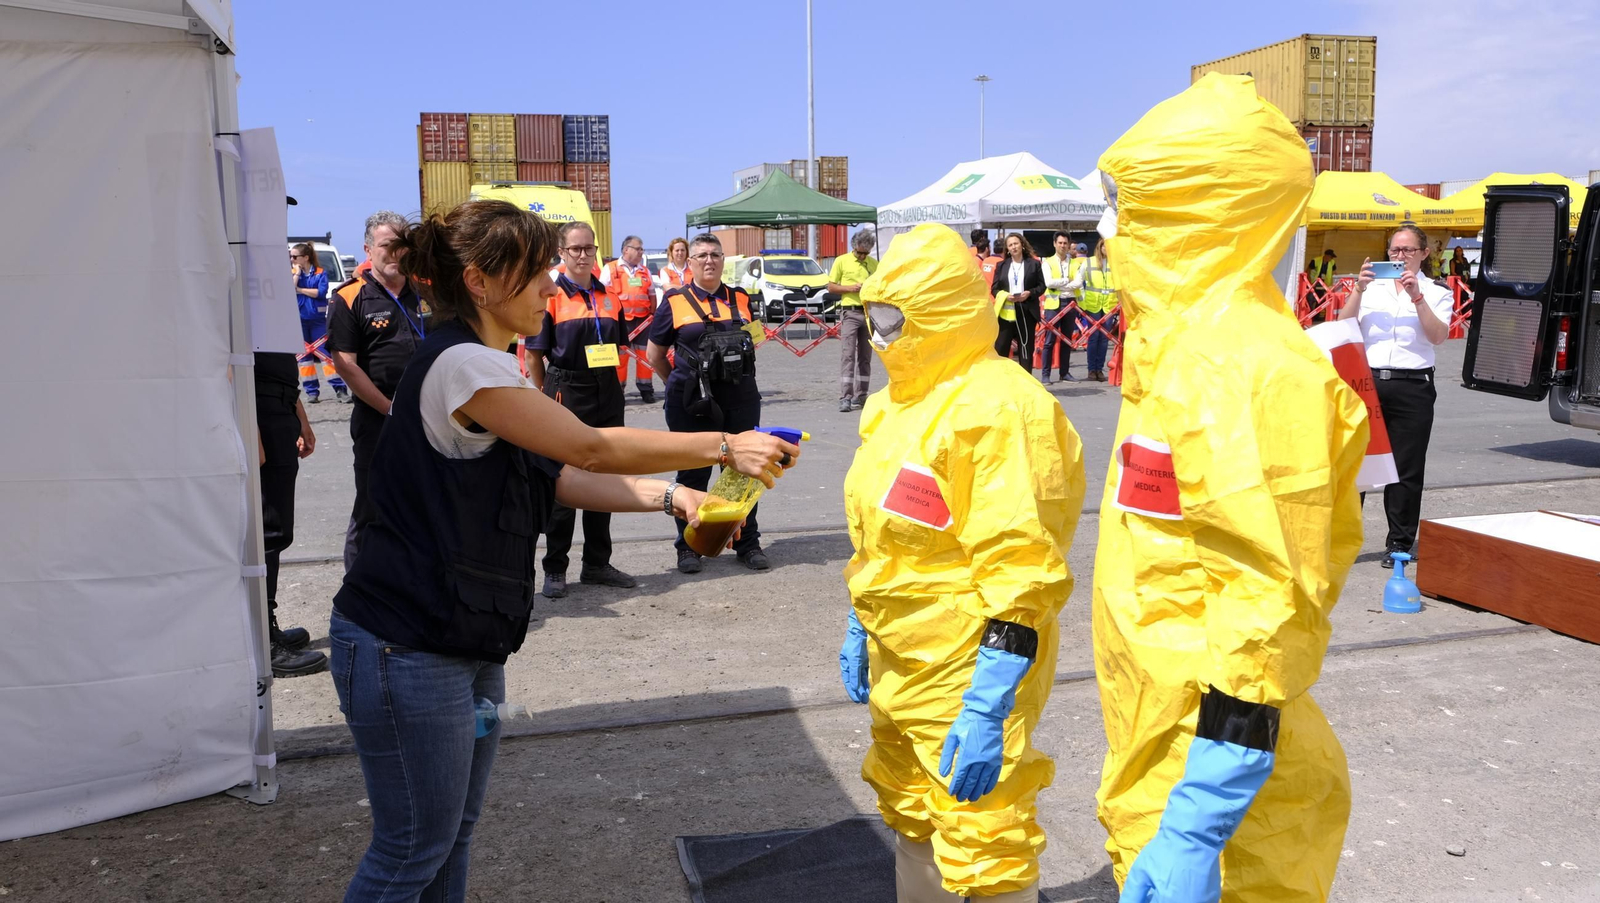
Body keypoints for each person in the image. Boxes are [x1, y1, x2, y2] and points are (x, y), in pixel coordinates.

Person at [329, 200, 798, 902]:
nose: (552, 286)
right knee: (410, 850)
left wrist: (678, 498)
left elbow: (557, 476)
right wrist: (725, 445)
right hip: (407, 642)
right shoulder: (462, 364)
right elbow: (588, 446)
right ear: (480, 282)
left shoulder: (486, 365)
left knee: (449, 836)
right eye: (536, 272)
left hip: (457, 635)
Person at [1093, 74, 1367, 903]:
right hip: (1161, 746)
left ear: (1187, 210)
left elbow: (1266, 603)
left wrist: (1199, 819)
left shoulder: (1243, 366)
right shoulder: (1174, 353)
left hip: (1224, 791)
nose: (1107, 229)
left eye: (1124, 204)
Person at [839, 223, 1085, 902]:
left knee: (984, 834)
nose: (881, 335)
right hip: (900, 656)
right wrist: (862, 619)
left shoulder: (1002, 409)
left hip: (968, 660)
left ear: (940, 313)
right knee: (910, 808)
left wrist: (988, 701)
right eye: (874, 316)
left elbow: (1021, 564)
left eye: (895, 318)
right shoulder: (893, 404)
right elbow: (879, 532)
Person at [646, 233, 770, 574]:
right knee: (693, 472)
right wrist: (678, 384)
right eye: (701, 255)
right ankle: (689, 546)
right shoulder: (674, 301)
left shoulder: (740, 298)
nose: (709, 260)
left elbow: (754, 340)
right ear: (691, 262)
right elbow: (654, 354)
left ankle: (747, 543)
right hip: (693, 402)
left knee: (743, 472)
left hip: (740, 397)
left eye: (715, 254)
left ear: (723, 260)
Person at [525, 221, 636, 599]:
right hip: (566, 389)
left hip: (606, 390)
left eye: (589, 248)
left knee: (605, 480)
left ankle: (597, 563)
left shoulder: (610, 296)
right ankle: (555, 567)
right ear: (562, 253)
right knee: (564, 481)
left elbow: (619, 346)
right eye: (575, 249)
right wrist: (543, 395)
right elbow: (534, 355)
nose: (584, 255)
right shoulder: (551, 296)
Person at [1339, 223, 1453, 565]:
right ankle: (1341, 542)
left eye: (1407, 250)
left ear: (1424, 253)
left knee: (1406, 468)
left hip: (1413, 384)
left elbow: (1438, 336)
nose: (1400, 256)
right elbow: (1343, 326)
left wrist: (1417, 296)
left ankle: (1399, 544)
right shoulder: (1371, 288)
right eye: (1394, 250)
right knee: (1355, 464)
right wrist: (1359, 290)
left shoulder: (1436, 291)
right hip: (1367, 382)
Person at [327, 210, 426, 571]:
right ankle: (359, 587)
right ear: (368, 249)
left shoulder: (427, 290)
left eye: (402, 244)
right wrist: (389, 409)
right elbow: (346, 365)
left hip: (430, 418)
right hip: (379, 421)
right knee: (373, 506)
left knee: (424, 504)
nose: (396, 252)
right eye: (387, 245)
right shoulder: (349, 297)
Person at [254, 348, 326, 677]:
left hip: (280, 404)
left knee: (277, 529)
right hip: (258, 409)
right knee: (265, 533)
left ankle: (265, 624)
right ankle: (261, 641)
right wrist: (249, 427)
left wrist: (300, 418)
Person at [599, 234, 657, 403]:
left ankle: (646, 389)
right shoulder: (610, 269)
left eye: (642, 249)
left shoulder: (645, 271)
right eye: (638, 249)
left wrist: (652, 315)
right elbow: (602, 296)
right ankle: (618, 391)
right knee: (620, 357)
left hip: (643, 322)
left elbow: (652, 295)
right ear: (626, 250)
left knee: (645, 355)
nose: (641, 252)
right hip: (620, 322)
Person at [828, 227, 878, 412]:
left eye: (866, 253)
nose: (863, 256)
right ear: (853, 247)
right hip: (850, 313)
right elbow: (831, 287)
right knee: (848, 355)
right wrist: (851, 288)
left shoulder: (874, 264)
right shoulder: (842, 261)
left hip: (869, 313)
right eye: (859, 253)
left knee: (865, 357)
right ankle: (846, 397)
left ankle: (862, 394)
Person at [291, 243, 347, 403]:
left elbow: (320, 293)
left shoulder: (320, 273)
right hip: (300, 320)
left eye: (294, 257)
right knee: (304, 358)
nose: (292, 259)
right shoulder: (293, 273)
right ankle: (312, 392)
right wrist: (297, 274)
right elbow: (289, 289)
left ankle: (340, 389)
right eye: (290, 256)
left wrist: (300, 290)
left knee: (326, 356)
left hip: (318, 320)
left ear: (305, 257)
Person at [990, 234, 1046, 376]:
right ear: (1007, 249)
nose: (1014, 247)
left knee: (1026, 350)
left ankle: (1026, 380)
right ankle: (1001, 380)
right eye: (1010, 245)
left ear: (1022, 245)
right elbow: (994, 289)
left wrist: (1029, 293)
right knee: (1001, 349)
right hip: (1006, 315)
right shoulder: (1001, 265)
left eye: (1016, 243)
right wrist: (1005, 295)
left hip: (1026, 312)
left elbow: (1041, 286)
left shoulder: (1034, 264)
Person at [1071, 240, 1117, 381]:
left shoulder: (1115, 263)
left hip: (1109, 305)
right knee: (1093, 337)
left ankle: (1099, 370)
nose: (1106, 248)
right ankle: (1092, 370)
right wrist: (1081, 301)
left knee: (1104, 339)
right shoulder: (1089, 262)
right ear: (1099, 247)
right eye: (1104, 246)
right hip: (1093, 305)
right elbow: (1078, 282)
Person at [1039, 232, 1081, 383]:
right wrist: (1066, 281)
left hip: (1070, 303)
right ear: (1054, 244)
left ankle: (1065, 373)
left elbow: (1078, 283)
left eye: (1065, 243)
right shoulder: (1047, 262)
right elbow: (1049, 283)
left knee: (1067, 340)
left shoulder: (1075, 263)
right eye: (1060, 243)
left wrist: (1060, 285)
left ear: (1069, 245)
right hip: (1053, 305)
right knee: (1049, 341)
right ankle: (1045, 375)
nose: (1062, 246)